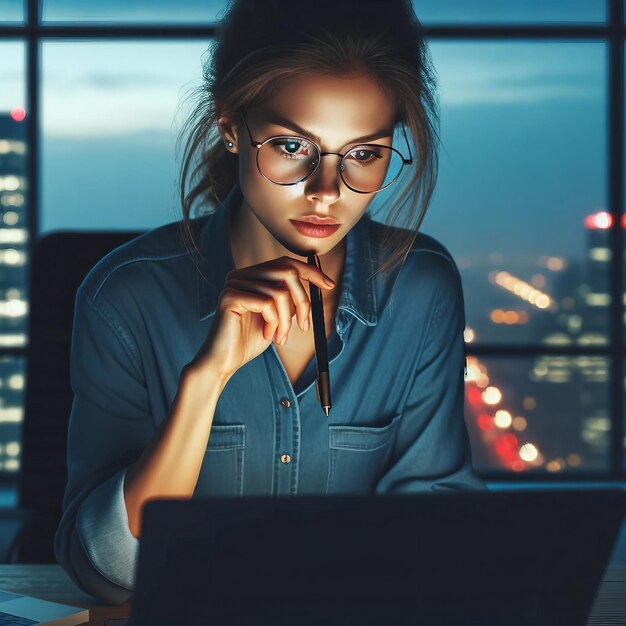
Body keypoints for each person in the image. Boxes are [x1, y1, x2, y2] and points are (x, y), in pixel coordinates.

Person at [55, 0, 486, 606]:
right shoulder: (125, 297)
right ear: (230, 124)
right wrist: (204, 384)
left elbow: (442, 528)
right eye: (291, 145)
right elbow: (106, 574)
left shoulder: (419, 288)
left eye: (363, 154)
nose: (326, 192)